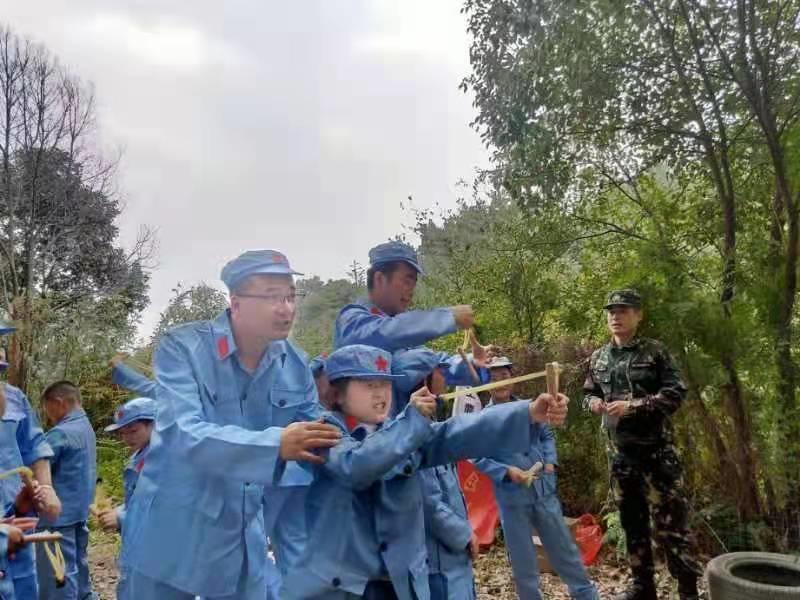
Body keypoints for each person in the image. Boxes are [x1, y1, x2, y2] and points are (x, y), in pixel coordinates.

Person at [122, 249, 342, 600]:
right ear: (235, 302)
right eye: (272, 296)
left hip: (240, 539)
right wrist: (275, 445)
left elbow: (318, 430)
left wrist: (391, 437)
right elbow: (183, 432)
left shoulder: (295, 364)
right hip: (172, 537)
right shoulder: (183, 348)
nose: (287, 308)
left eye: (290, 295)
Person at [283, 344, 570, 600]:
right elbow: (356, 465)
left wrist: (529, 413)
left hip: (397, 584)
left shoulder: (401, 431)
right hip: (343, 587)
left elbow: (455, 433)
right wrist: (411, 421)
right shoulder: (324, 432)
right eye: (368, 384)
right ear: (337, 394)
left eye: (384, 384)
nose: (380, 393)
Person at [583, 290, 700, 600]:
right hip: (622, 456)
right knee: (632, 523)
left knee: (672, 527)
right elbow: (588, 393)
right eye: (611, 310)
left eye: (623, 310)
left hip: (658, 454)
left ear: (638, 315)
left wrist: (633, 406)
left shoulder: (655, 352)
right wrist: (593, 403)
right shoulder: (599, 357)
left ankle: (687, 591)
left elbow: (675, 394)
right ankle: (642, 588)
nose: (615, 316)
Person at [474, 357, 599, 600]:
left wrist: (550, 462)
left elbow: (546, 434)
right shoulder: (483, 418)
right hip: (511, 497)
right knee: (523, 561)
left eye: (505, 376)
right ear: (486, 383)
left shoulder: (528, 407)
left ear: (513, 378)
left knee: (565, 551)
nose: (501, 382)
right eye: (494, 377)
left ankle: (586, 595)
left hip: (543, 490)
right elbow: (477, 456)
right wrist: (507, 471)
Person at [334, 241, 492, 414]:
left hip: (405, 433)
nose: (411, 290)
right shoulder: (352, 321)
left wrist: (472, 363)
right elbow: (386, 333)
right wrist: (448, 318)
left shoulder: (405, 337)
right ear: (380, 278)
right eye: (406, 281)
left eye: (414, 283)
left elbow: (437, 362)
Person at [393, 348, 478, 600]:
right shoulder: (412, 435)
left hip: (449, 557)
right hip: (438, 561)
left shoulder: (427, 422)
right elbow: (427, 502)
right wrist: (462, 535)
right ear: (422, 380)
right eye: (439, 369)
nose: (445, 374)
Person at [0, 322, 61, 599]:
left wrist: (45, 489)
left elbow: (34, 445)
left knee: (24, 587)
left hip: (18, 518)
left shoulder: (14, 398)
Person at [37, 381, 98, 600]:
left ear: (59, 403)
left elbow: (37, 467)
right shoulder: (86, 428)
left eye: (47, 408)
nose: (48, 415)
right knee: (79, 573)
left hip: (56, 520)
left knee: (58, 578)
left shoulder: (60, 433)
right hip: (78, 514)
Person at [95, 397, 156, 599]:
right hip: (138, 548)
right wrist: (119, 511)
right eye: (122, 432)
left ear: (155, 425)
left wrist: (121, 518)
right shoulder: (140, 456)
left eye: (133, 430)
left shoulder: (162, 462)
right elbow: (139, 500)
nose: (127, 437)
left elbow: (165, 510)